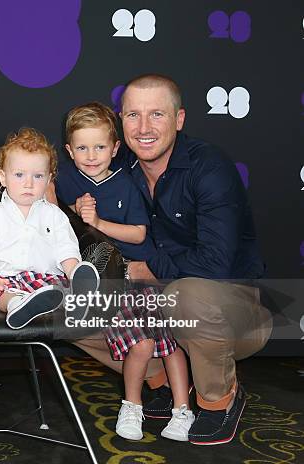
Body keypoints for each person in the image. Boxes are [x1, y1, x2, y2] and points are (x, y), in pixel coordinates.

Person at [70, 74, 273, 445]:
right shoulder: (117, 165)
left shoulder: (209, 168)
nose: (144, 128)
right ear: (121, 121)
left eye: (157, 115)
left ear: (179, 119)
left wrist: (145, 269)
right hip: (154, 298)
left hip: (231, 305)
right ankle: (159, 378)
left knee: (185, 296)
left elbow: (215, 265)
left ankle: (218, 400)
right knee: (71, 304)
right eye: (133, 115)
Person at [54, 102, 194, 441]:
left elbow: (140, 234)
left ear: (115, 148)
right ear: (70, 151)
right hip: (109, 280)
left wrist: (98, 221)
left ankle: (181, 410)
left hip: (142, 274)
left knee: (171, 342)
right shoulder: (67, 178)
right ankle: (132, 405)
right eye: (82, 148)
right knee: (144, 344)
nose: (91, 155)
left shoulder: (126, 183)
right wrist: (74, 208)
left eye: (100, 147)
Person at [0, 128, 100, 330]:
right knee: (5, 295)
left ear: (48, 180)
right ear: (3, 177)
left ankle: (76, 302)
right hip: (6, 280)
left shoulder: (54, 215)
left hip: (47, 281)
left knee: (60, 290)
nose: (28, 183)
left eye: (37, 176)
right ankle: (16, 307)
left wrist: (74, 273)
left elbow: (66, 250)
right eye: (19, 175)